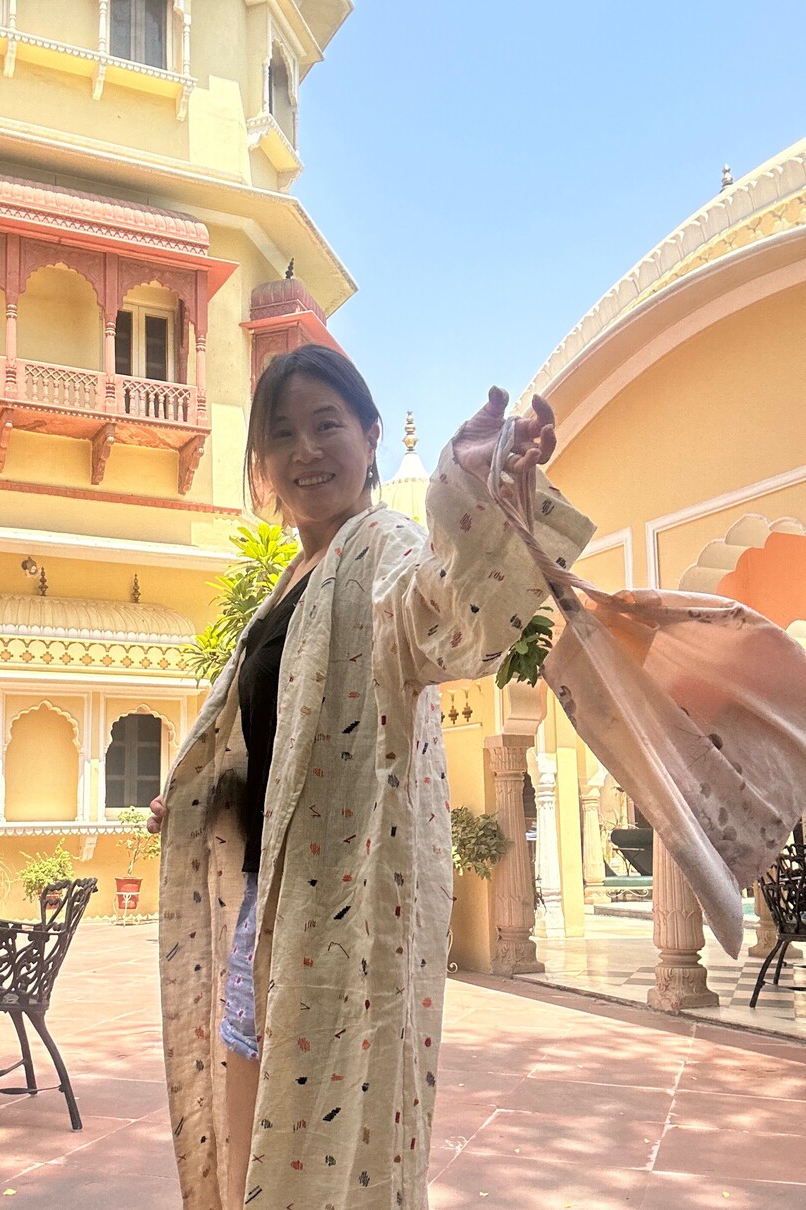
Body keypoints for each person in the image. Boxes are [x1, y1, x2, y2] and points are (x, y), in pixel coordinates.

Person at [148, 345, 593, 1210]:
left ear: (371, 434)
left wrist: (481, 498)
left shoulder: (382, 546)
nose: (306, 450)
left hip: (342, 913)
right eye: (283, 435)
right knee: (253, 1140)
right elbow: (276, 748)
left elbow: (445, 615)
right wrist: (205, 795)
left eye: (327, 425)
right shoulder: (290, 582)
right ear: (262, 461)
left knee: (332, 1145)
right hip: (267, 905)